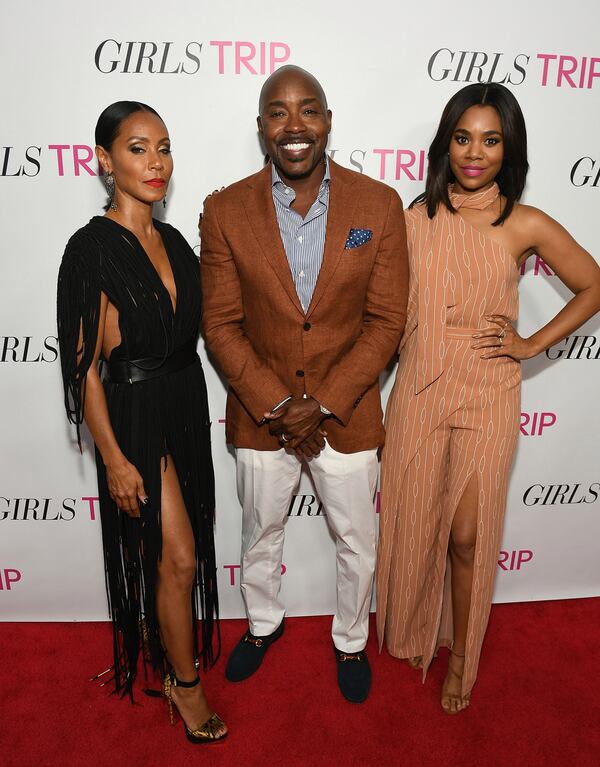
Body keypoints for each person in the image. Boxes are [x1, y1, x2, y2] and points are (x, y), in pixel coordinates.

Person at [376, 82, 600, 714]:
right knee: (416, 525)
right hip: (419, 387)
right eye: (463, 137)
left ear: (510, 149)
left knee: (470, 536)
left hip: (488, 389)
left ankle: (464, 661)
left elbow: (593, 285)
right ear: (446, 142)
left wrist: (530, 343)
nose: (475, 153)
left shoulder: (522, 222)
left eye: (491, 140)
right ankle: (420, 634)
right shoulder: (412, 217)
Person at [200, 66, 408, 703]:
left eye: (307, 110)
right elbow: (221, 324)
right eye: (277, 113)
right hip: (263, 415)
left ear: (327, 120)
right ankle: (263, 623)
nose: (294, 127)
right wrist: (281, 405)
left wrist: (321, 404)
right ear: (261, 128)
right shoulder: (224, 208)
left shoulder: (377, 205)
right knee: (260, 530)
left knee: (356, 540)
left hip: (345, 413)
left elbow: (386, 320)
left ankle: (350, 639)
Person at [57, 101, 226, 743]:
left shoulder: (177, 241)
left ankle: (162, 635)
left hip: (184, 405)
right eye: (137, 148)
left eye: (164, 147)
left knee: (177, 557)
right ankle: (184, 687)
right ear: (104, 160)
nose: (156, 162)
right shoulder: (91, 249)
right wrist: (116, 460)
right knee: (179, 558)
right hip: (133, 417)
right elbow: (85, 370)